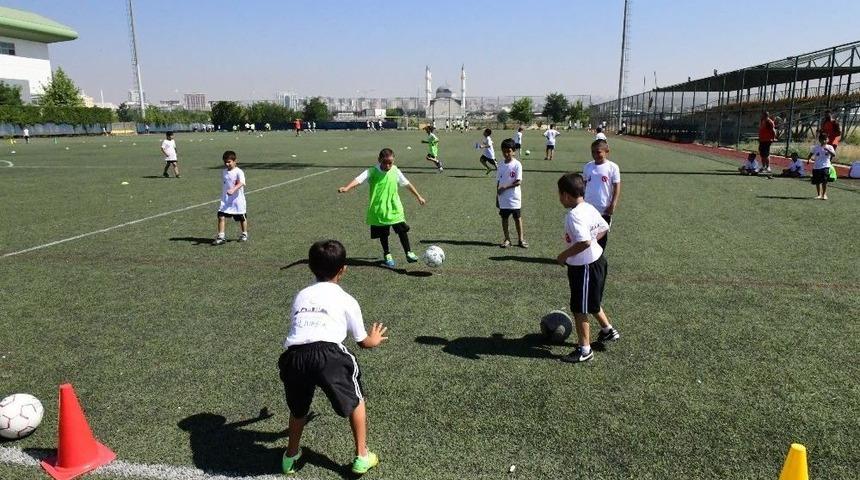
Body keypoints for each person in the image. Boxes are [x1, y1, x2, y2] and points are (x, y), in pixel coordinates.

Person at [278, 239, 387, 476]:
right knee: (356, 400)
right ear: (343, 268)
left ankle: (290, 457)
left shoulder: (302, 294)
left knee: (298, 410)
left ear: (310, 267)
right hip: (328, 355)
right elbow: (363, 342)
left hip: (293, 357)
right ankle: (361, 456)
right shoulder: (347, 299)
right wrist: (375, 339)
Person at [556, 173, 619, 364]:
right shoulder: (588, 207)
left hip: (585, 267)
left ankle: (585, 349)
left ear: (566, 195)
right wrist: (592, 241)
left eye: (559, 194)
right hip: (597, 261)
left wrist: (563, 256)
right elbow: (604, 227)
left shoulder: (574, 215)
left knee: (579, 308)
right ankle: (608, 330)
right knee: (590, 300)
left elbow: (583, 242)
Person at [338, 148, 426, 267]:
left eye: (391, 163)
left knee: (402, 229)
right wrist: (347, 188)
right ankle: (387, 254)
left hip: (394, 207)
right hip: (379, 209)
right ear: (379, 160)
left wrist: (418, 196)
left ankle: (408, 252)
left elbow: (406, 184)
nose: (388, 165)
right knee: (383, 233)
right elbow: (359, 180)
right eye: (385, 162)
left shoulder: (395, 170)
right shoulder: (372, 171)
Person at [583, 140, 621, 250]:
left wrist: (613, 204)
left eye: (598, 152)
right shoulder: (588, 167)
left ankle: (598, 259)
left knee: (601, 237)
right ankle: (587, 259)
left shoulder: (613, 167)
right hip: (588, 207)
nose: (595, 155)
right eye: (593, 152)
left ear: (607, 151)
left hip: (604, 209)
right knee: (587, 235)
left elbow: (616, 187)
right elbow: (584, 185)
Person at [497, 138, 527, 248]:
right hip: (503, 198)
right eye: (504, 151)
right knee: (504, 219)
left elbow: (518, 182)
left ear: (513, 151)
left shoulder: (517, 164)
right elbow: (498, 181)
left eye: (509, 151)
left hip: (514, 198)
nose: (506, 154)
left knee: (517, 218)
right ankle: (507, 239)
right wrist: (497, 196)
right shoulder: (500, 164)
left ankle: (521, 240)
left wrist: (505, 187)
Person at [213, 150, 248, 244]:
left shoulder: (239, 172)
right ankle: (221, 236)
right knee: (221, 216)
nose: (227, 164)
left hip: (237, 200)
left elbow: (242, 183)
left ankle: (244, 234)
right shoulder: (224, 172)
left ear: (235, 161)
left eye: (229, 162)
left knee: (241, 218)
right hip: (226, 200)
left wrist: (233, 189)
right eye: (225, 162)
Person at [808, 133, 835, 200]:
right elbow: (810, 154)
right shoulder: (816, 147)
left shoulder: (830, 147)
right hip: (816, 166)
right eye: (822, 139)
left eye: (825, 139)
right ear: (819, 140)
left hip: (825, 166)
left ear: (827, 140)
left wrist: (828, 150)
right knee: (817, 181)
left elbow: (834, 155)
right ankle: (819, 195)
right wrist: (808, 159)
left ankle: (824, 195)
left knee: (824, 181)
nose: (823, 141)